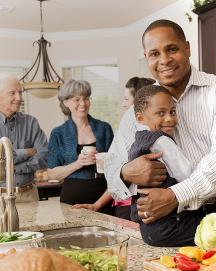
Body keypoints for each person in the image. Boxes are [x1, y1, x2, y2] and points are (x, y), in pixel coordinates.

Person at [105, 19, 216, 246]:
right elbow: (111, 170)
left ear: (187, 48)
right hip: (159, 221)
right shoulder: (138, 111)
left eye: (171, 49)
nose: (164, 60)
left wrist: (175, 196)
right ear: (146, 57)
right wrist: (127, 173)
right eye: (154, 54)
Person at [74, 76, 155, 220]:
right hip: (124, 206)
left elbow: (124, 175)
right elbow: (120, 177)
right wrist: (97, 205)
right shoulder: (129, 130)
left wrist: (97, 204)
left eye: (126, 99)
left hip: (132, 208)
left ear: (138, 102)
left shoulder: (142, 137)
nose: (123, 104)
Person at [129, 84, 194, 246]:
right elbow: (187, 174)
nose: (169, 118)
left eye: (172, 111)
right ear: (140, 118)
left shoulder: (137, 141)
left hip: (150, 227)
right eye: (160, 113)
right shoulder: (161, 140)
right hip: (169, 225)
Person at [47, 80, 114, 215]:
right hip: (72, 199)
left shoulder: (104, 128)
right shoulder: (58, 133)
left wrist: (104, 160)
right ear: (66, 102)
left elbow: (116, 166)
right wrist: (78, 163)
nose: (83, 103)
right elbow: (52, 173)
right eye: (77, 99)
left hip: (103, 197)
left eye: (86, 98)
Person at [0, 73, 48, 203]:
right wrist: (27, 151)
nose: (19, 98)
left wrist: (14, 167)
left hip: (29, 195)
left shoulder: (31, 122)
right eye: (12, 93)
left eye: (20, 92)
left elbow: (44, 156)